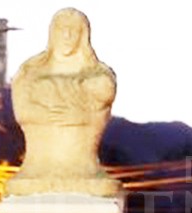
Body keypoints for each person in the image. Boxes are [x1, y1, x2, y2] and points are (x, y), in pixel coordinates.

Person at [6, 8, 120, 196]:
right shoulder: (29, 72)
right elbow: (22, 111)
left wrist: (81, 116)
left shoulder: (101, 76)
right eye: (62, 29)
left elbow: (101, 109)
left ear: (83, 35)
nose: (67, 35)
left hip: (86, 170)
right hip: (36, 169)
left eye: (73, 30)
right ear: (53, 32)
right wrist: (43, 114)